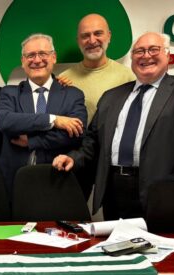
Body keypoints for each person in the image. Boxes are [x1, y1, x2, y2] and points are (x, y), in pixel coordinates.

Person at [53, 32, 174, 220]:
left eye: (153, 49)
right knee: (115, 239)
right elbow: (93, 142)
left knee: (160, 240)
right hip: (114, 192)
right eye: (139, 51)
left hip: (163, 195)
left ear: (168, 55)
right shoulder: (111, 97)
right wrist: (73, 158)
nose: (146, 56)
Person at [0, 33, 86, 195]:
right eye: (30, 55)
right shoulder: (9, 93)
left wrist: (31, 141)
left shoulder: (73, 95)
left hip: (58, 181)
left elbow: (75, 134)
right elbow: (5, 121)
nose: (37, 60)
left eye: (43, 54)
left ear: (53, 57)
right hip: (14, 184)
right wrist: (53, 120)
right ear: (23, 61)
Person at [59, 13, 135, 201]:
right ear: (78, 41)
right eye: (85, 36)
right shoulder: (63, 79)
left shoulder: (128, 77)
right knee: (71, 210)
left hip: (112, 160)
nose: (92, 40)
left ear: (109, 36)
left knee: (114, 211)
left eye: (98, 33)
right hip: (77, 157)